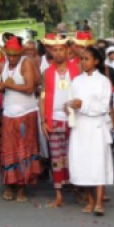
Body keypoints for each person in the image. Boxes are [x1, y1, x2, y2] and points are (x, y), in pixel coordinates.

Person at [0, 36, 40, 202]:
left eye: (15, 55)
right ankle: (9, 184)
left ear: (20, 53)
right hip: (9, 112)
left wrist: (7, 85)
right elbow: (1, 85)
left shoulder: (26, 63)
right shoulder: (3, 65)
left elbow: (29, 87)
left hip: (26, 113)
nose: (12, 58)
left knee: (24, 150)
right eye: (9, 55)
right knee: (8, 150)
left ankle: (22, 187)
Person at [68, 47, 113, 216]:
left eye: (87, 59)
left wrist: (84, 106)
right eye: (82, 59)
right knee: (83, 163)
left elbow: (103, 107)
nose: (83, 62)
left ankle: (100, 202)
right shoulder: (76, 81)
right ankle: (90, 200)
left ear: (96, 61)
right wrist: (69, 107)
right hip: (80, 127)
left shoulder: (103, 82)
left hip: (96, 126)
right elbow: (70, 100)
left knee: (98, 163)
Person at [39, 34, 80, 208]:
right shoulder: (47, 73)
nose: (58, 53)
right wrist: (43, 121)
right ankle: (58, 195)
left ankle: (78, 190)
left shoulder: (76, 69)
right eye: (54, 50)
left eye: (61, 49)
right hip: (54, 119)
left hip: (74, 120)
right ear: (51, 52)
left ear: (67, 50)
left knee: (74, 156)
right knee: (56, 158)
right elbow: (42, 97)